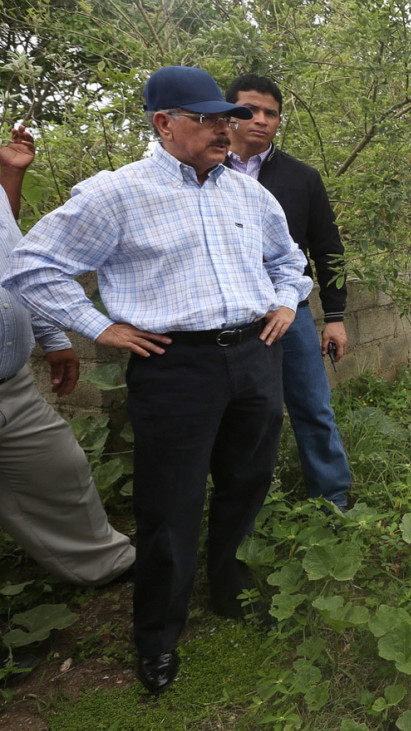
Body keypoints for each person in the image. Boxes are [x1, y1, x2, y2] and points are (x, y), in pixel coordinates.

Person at [1, 66, 312, 695]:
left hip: (254, 353)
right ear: (163, 123)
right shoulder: (117, 193)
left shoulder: (249, 193)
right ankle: (158, 637)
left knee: (247, 480)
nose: (228, 129)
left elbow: (288, 260)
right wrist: (99, 327)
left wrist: (286, 300)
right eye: (208, 119)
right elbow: (32, 264)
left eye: (229, 117)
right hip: (175, 365)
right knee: (169, 504)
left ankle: (227, 585)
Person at [0, 125, 135, 588]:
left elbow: (12, 260)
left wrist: (52, 338)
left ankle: (107, 567)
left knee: (59, 466)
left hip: (11, 382)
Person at [224, 74, 352, 510]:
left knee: (313, 406)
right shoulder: (201, 170)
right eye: (249, 110)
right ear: (228, 114)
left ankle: (333, 498)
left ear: (279, 121)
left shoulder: (301, 178)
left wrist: (334, 316)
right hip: (225, 314)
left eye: (271, 113)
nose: (260, 120)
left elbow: (328, 250)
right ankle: (246, 504)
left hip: (289, 310)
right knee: (241, 417)